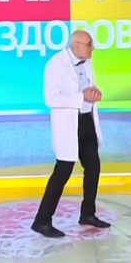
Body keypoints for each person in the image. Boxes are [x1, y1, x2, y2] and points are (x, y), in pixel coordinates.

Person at [31, 30, 109, 238]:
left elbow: (86, 88)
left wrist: (93, 93)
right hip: (69, 125)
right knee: (63, 172)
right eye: (89, 44)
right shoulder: (56, 65)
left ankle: (88, 213)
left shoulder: (87, 61)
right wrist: (81, 96)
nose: (93, 47)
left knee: (93, 167)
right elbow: (51, 99)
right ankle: (42, 221)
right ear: (76, 45)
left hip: (87, 120)